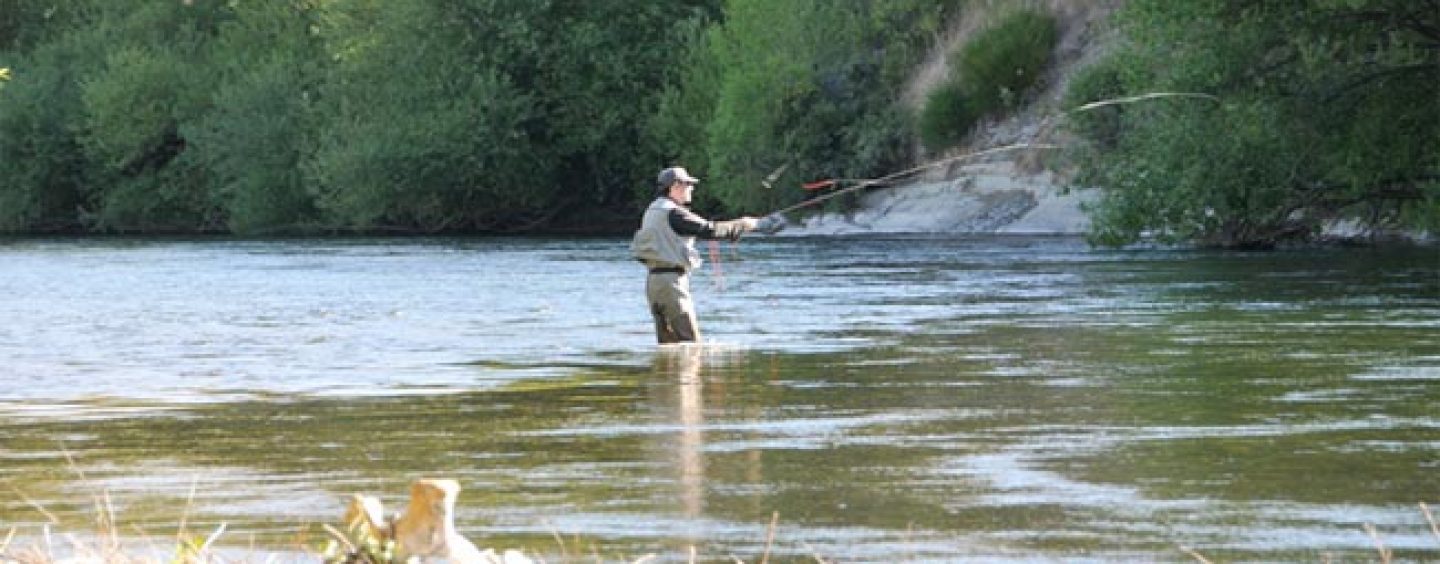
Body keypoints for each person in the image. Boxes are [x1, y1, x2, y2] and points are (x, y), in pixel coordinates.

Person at [631, 166, 778, 344]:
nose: (692, 188)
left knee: (669, 346)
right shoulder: (674, 213)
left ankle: (667, 373)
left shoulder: (653, 210)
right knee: (691, 344)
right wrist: (747, 224)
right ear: (676, 186)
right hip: (671, 285)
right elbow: (710, 230)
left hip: (654, 284)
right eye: (688, 184)